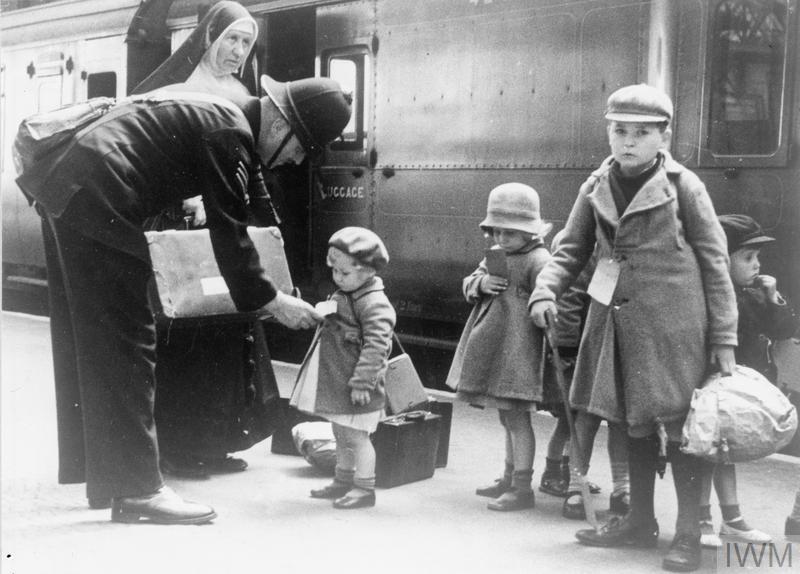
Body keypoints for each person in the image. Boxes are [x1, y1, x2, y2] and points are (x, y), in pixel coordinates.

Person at [18, 73, 352, 524]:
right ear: (281, 124)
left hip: (70, 184)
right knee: (130, 342)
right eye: (300, 148)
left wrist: (284, 284)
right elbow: (228, 233)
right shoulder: (231, 132)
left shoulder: (228, 118)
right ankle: (137, 490)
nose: (294, 160)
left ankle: (108, 477)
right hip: (100, 193)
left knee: (98, 340)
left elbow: (257, 205)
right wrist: (273, 302)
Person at [529, 84, 737, 572]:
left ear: (664, 136)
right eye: (619, 130)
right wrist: (545, 290)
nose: (627, 142)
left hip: (674, 329)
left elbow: (716, 263)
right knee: (629, 423)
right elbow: (570, 249)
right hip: (615, 326)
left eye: (641, 133)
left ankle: (688, 532)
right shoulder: (596, 184)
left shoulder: (685, 187)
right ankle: (639, 522)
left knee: (685, 430)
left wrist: (724, 338)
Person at [131, 1, 281, 479]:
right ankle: (176, 446)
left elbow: (248, 166)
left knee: (226, 331)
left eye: (246, 42)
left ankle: (215, 439)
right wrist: (188, 200)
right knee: (185, 336)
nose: (238, 51)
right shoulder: (170, 88)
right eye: (231, 39)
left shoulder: (243, 92)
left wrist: (265, 219)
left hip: (221, 221)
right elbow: (147, 159)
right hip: (176, 224)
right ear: (209, 37)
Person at [446, 183, 552, 512]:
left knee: (518, 419)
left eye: (510, 233)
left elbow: (550, 295)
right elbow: (470, 281)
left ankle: (523, 488)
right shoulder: (496, 255)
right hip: (496, 350)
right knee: (508, 419)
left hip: (518, 353)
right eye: (496, 232)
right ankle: (509, 477)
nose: (501, 239)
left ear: (530, 232)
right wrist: (481, 283)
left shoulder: (540, 260)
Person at [698, 214, 799, 548]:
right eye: (747, 258)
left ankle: (732, 518)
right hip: (713, 387)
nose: (756, 265)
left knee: (723, 452)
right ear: (720, 260)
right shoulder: (711, 296)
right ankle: (700, 518)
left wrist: (773, 297)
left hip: (737, 388)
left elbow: (782, 330)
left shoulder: (754, 294)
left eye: (757, 258)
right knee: (706, 452)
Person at [292, 227, 396, 510]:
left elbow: (377, 347)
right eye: (334, 271)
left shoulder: (374, 303)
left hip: (359, 386)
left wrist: (363, 383)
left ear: (367, 271)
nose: (337, 277)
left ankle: (364, 488)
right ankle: (343, 479)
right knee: (340, 433)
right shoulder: (348, 293)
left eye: (344, 273)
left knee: (357, 437)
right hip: (342, 382)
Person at [539, 233, 630, 520]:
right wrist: (565, 346)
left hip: (628, 343)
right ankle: (577, 486)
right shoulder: (596, 248)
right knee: (586, 419)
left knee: (620, 421)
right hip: (593, 345)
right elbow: (572, 298)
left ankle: (621, 488)